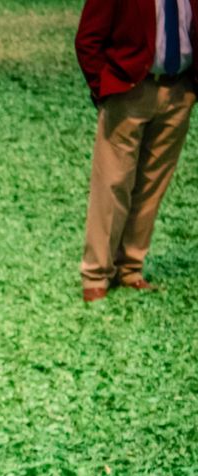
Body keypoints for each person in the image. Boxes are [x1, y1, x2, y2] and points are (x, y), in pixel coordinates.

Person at [76, 0, 196, 302]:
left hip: (179, 91)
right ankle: (96, 273)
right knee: (112, 183)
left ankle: (130, 268)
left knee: (151, 187)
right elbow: (88, 39)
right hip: (129, 91)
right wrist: (104, 90)